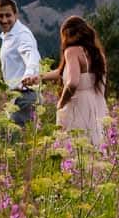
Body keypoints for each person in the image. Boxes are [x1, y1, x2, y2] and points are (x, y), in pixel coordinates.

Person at [42, 14, 109, 148]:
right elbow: (62, 72)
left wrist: (61, 103)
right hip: (95, 104)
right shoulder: (98, 54)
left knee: (73, 145)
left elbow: (72, 82)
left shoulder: (71, 51)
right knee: (92, 145)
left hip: (77, 105)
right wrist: (40, 77)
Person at [0, 0, 40, 126]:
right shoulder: (9, 35)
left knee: (5, 135)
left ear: (16, 15)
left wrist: (29, 75)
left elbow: (31, 55)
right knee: (10, 135)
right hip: (16, 97)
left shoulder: (22, 35)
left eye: (8, 15)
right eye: (0, 16)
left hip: (25, 96)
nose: (4, 20)